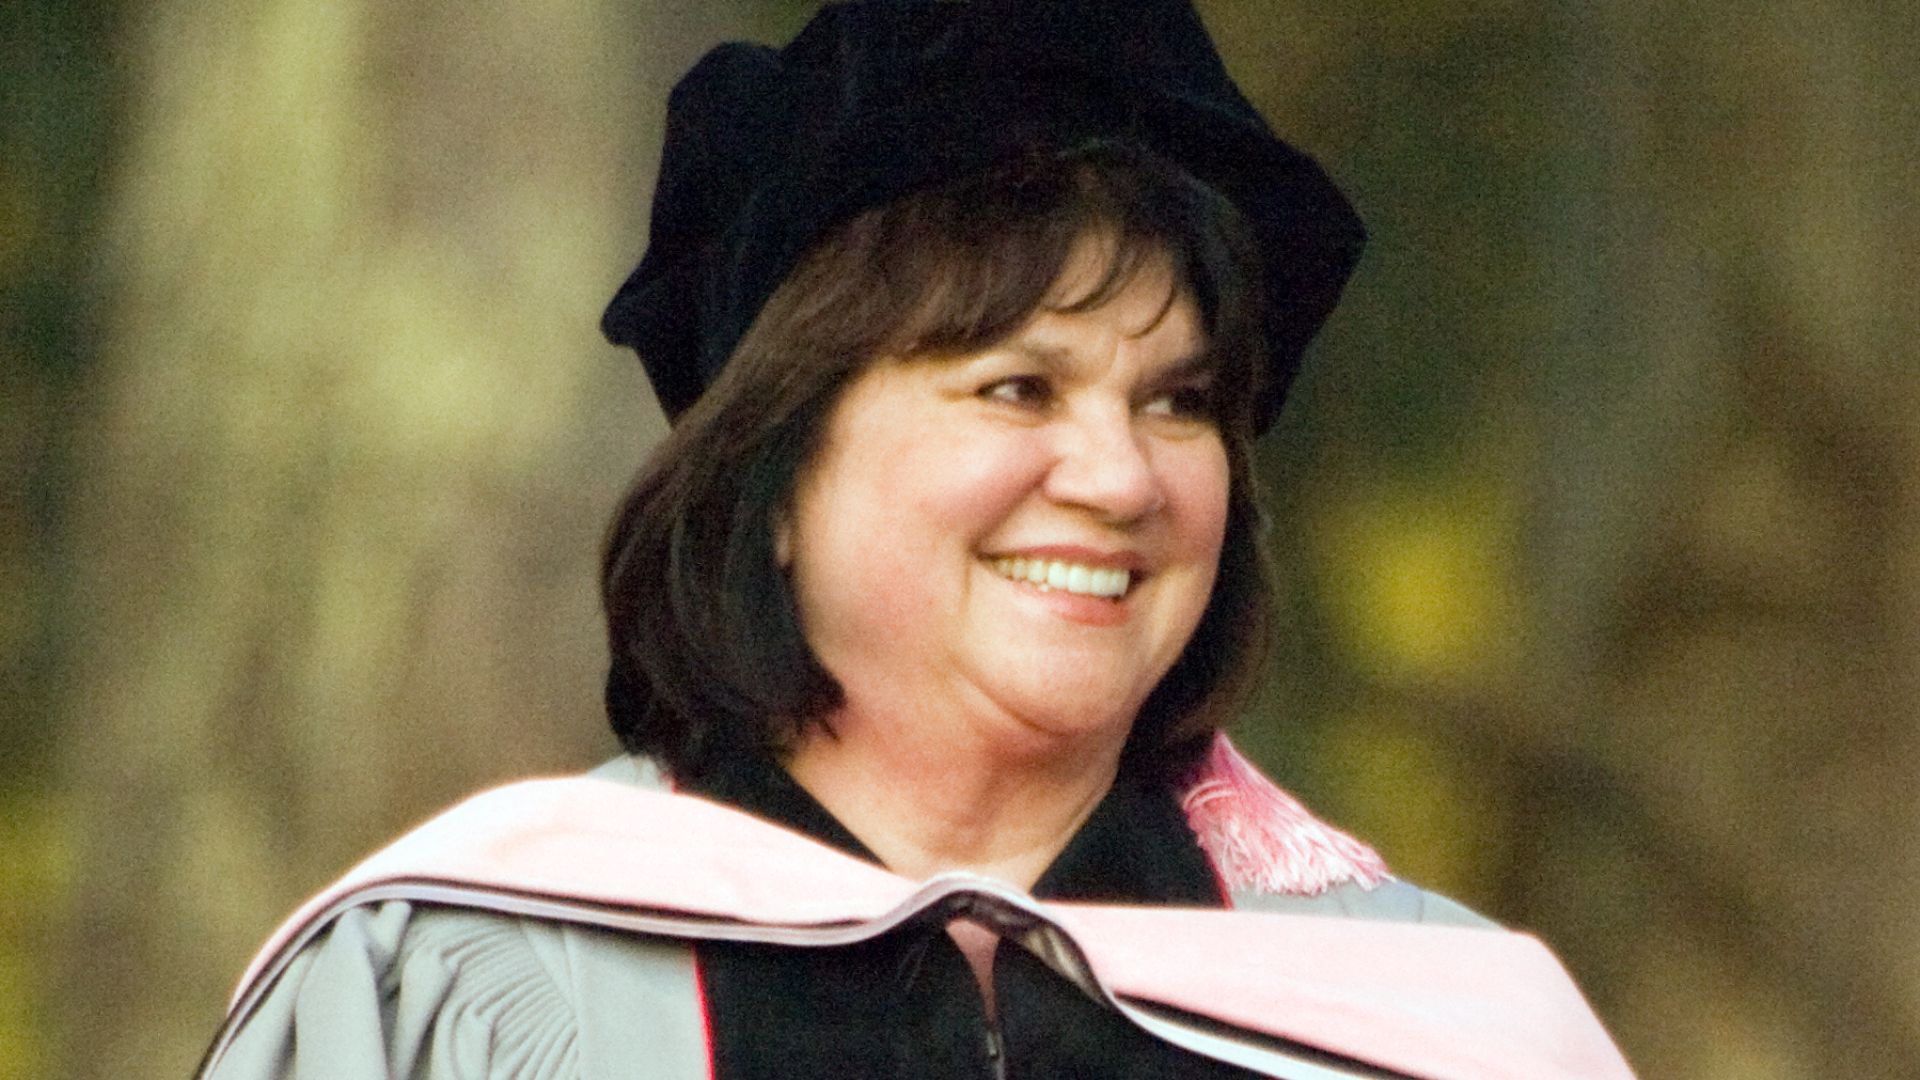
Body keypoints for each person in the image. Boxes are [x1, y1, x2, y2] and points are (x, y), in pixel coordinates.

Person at [197, 3, 1633, 1078]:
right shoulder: (449, 991)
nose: (1120, 477)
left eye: (1179, 402)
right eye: (1018, 387)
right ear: (774, 475)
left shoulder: (1432, 1024)